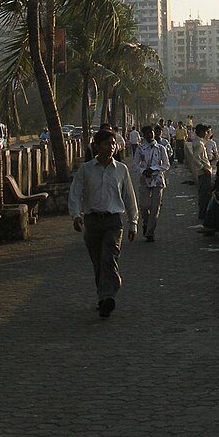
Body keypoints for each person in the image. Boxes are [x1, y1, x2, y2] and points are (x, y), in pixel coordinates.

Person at [69, 129, 139, 318]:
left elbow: (129, 197)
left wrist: (133, 222)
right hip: (92, 221)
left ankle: (109, 296)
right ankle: (103, 297)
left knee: (109, 258)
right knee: (98, 262)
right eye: (108, 143)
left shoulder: (121, 169)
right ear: (97, 146)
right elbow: (76, 193)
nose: (112, 146)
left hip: (114, 221)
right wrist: (76, 215)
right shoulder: (86, 170)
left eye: (113, 143)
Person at [132, 124, 170, 241]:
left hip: (157, 180)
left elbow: (166, 165)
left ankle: (150, 232)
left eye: (151, 132)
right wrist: (144, 171)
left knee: (155, 208)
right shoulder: (140, 149)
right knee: (144, 206)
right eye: (146, 133)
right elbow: (135, 165)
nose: (149, 135)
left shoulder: (161, 148)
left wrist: (153, 169)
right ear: (143, 135)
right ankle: (146, 223)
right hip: (144, 180)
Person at [190, 123, 214, 221]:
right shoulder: (199, 144)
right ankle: (203, 214)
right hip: (204, 173)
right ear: (201, 132)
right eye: (205, 132)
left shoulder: (197, 142)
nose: (206, 134)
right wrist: (204, 169)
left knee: (203, 194)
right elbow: (195, 159)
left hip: (202, 173)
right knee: (205, 195)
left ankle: (203, 213)